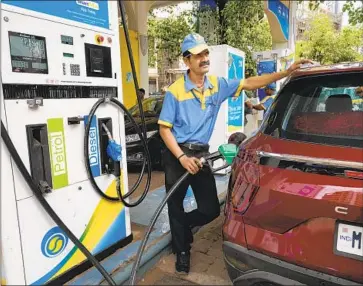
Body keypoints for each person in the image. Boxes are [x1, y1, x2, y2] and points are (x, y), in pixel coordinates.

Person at [157, 33, 312, 274]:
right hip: (177, 153)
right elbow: (164, 129)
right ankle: (183, 250)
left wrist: (286, 72)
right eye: (198, 55)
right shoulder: (175, 91)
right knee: (174, 205)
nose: (204, 58)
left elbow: (250, 82)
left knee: (209, 209)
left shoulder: (217, 85)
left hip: (201, 154)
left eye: (205, 53)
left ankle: (182, 227)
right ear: (187, 61)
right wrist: (181, 157)